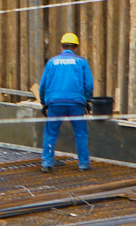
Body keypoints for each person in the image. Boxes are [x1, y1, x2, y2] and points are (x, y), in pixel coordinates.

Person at [37, 32, 95, 171]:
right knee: (80, 133)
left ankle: (46, 162)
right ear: (75, 48)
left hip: (55, 103)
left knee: (51, 133)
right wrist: (86, 99)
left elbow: (43, 84)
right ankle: (83, 164)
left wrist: (44, 102)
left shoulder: (52, 62)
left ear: (61, 46)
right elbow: (89, 85)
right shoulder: (81, 62)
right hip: (76, 103)